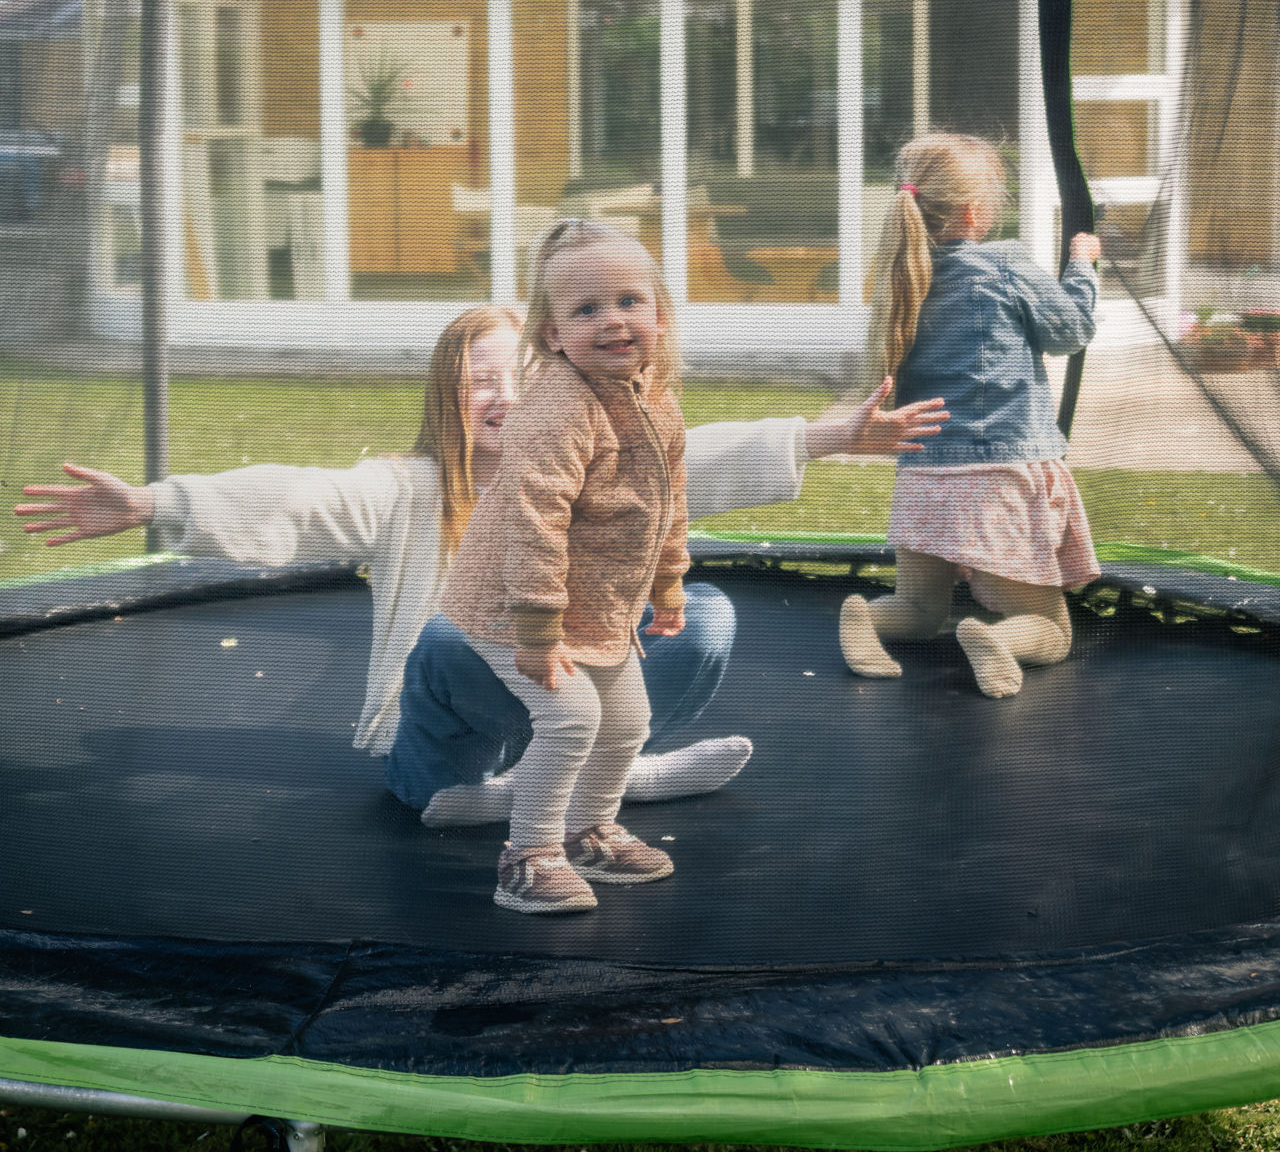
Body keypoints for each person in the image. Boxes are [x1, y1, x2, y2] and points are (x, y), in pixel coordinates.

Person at [16, 302, 946, 816]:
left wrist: (832, 437)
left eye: (518, 378)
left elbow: (696, 456)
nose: (501, 397)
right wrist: (154, 505)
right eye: (478, 382)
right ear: (450, 398)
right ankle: (568, 792)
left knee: (707, 617)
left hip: (557, 714)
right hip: (435, 756)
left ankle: (589, 781)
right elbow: (295, 496)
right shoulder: (408, 487)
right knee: (454, 641)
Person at [434, 216, 694, 913]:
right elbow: (533, 521)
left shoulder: (656, 401)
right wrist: (538, 632)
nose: (612, 321)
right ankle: (527, 855)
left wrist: (669, 580)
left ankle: (588, 833)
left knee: (627, 720)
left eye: (629, 302)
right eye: (586, 310)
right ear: (552, 335)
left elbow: (669, 498)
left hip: (594, 603)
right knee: (573, 715)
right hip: (510, 600)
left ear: (660, 316)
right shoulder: (557, 411)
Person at [838, 130, 1101, 699]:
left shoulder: (900, 275)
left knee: (921, 608)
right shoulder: (1004, 264)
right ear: (975, 211)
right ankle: (1000, 640)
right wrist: (1082, 266)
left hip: (925, 477)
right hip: (999, 473)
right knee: (1054, 631)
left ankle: (867, 617)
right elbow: (1070, 331)